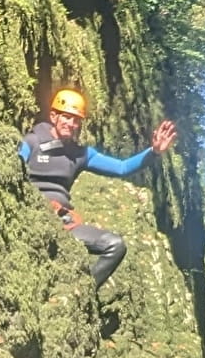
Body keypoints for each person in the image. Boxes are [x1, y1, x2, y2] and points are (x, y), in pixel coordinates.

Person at [18, 88, 177, 286]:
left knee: (115, 245)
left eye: (76, 120)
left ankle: (83, 292)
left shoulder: (81, 154)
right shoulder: (32, 141)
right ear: (53, 116)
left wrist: (153, 152)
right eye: (67, 117)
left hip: (62, 222)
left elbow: (121, 167)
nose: (72, 124)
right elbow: (13, 169)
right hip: (29, 212)